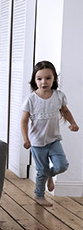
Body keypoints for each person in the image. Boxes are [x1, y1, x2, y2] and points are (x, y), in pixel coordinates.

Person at [21, 60, 79, 206]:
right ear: (34, 80)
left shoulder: (59, 96)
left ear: (54, 79)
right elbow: (24, 120)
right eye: (39, 79)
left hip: (54, 140)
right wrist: (26, 138)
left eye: (48, 78)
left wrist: (73, 123)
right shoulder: (31, 99)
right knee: (41, 170)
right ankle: (39, 195)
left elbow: (65, 111)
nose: (44, 82)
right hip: (37, 142)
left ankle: (50, 175)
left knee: (62, 166)